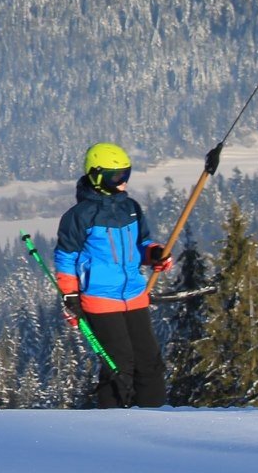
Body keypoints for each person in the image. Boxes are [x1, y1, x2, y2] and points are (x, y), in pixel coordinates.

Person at [53, 142, 171, 408]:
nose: (123, 182)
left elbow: (141, 244)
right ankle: (113, 422)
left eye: (126, 174)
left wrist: (154, 254)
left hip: (135, 295)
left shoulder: (130, 207)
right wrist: (70, 295)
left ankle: (155, 418)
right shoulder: (79, 216)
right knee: (119, 364)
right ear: (97, 177)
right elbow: (66, 257)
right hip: (100, 299)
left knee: (149, 362)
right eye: (116, 176)